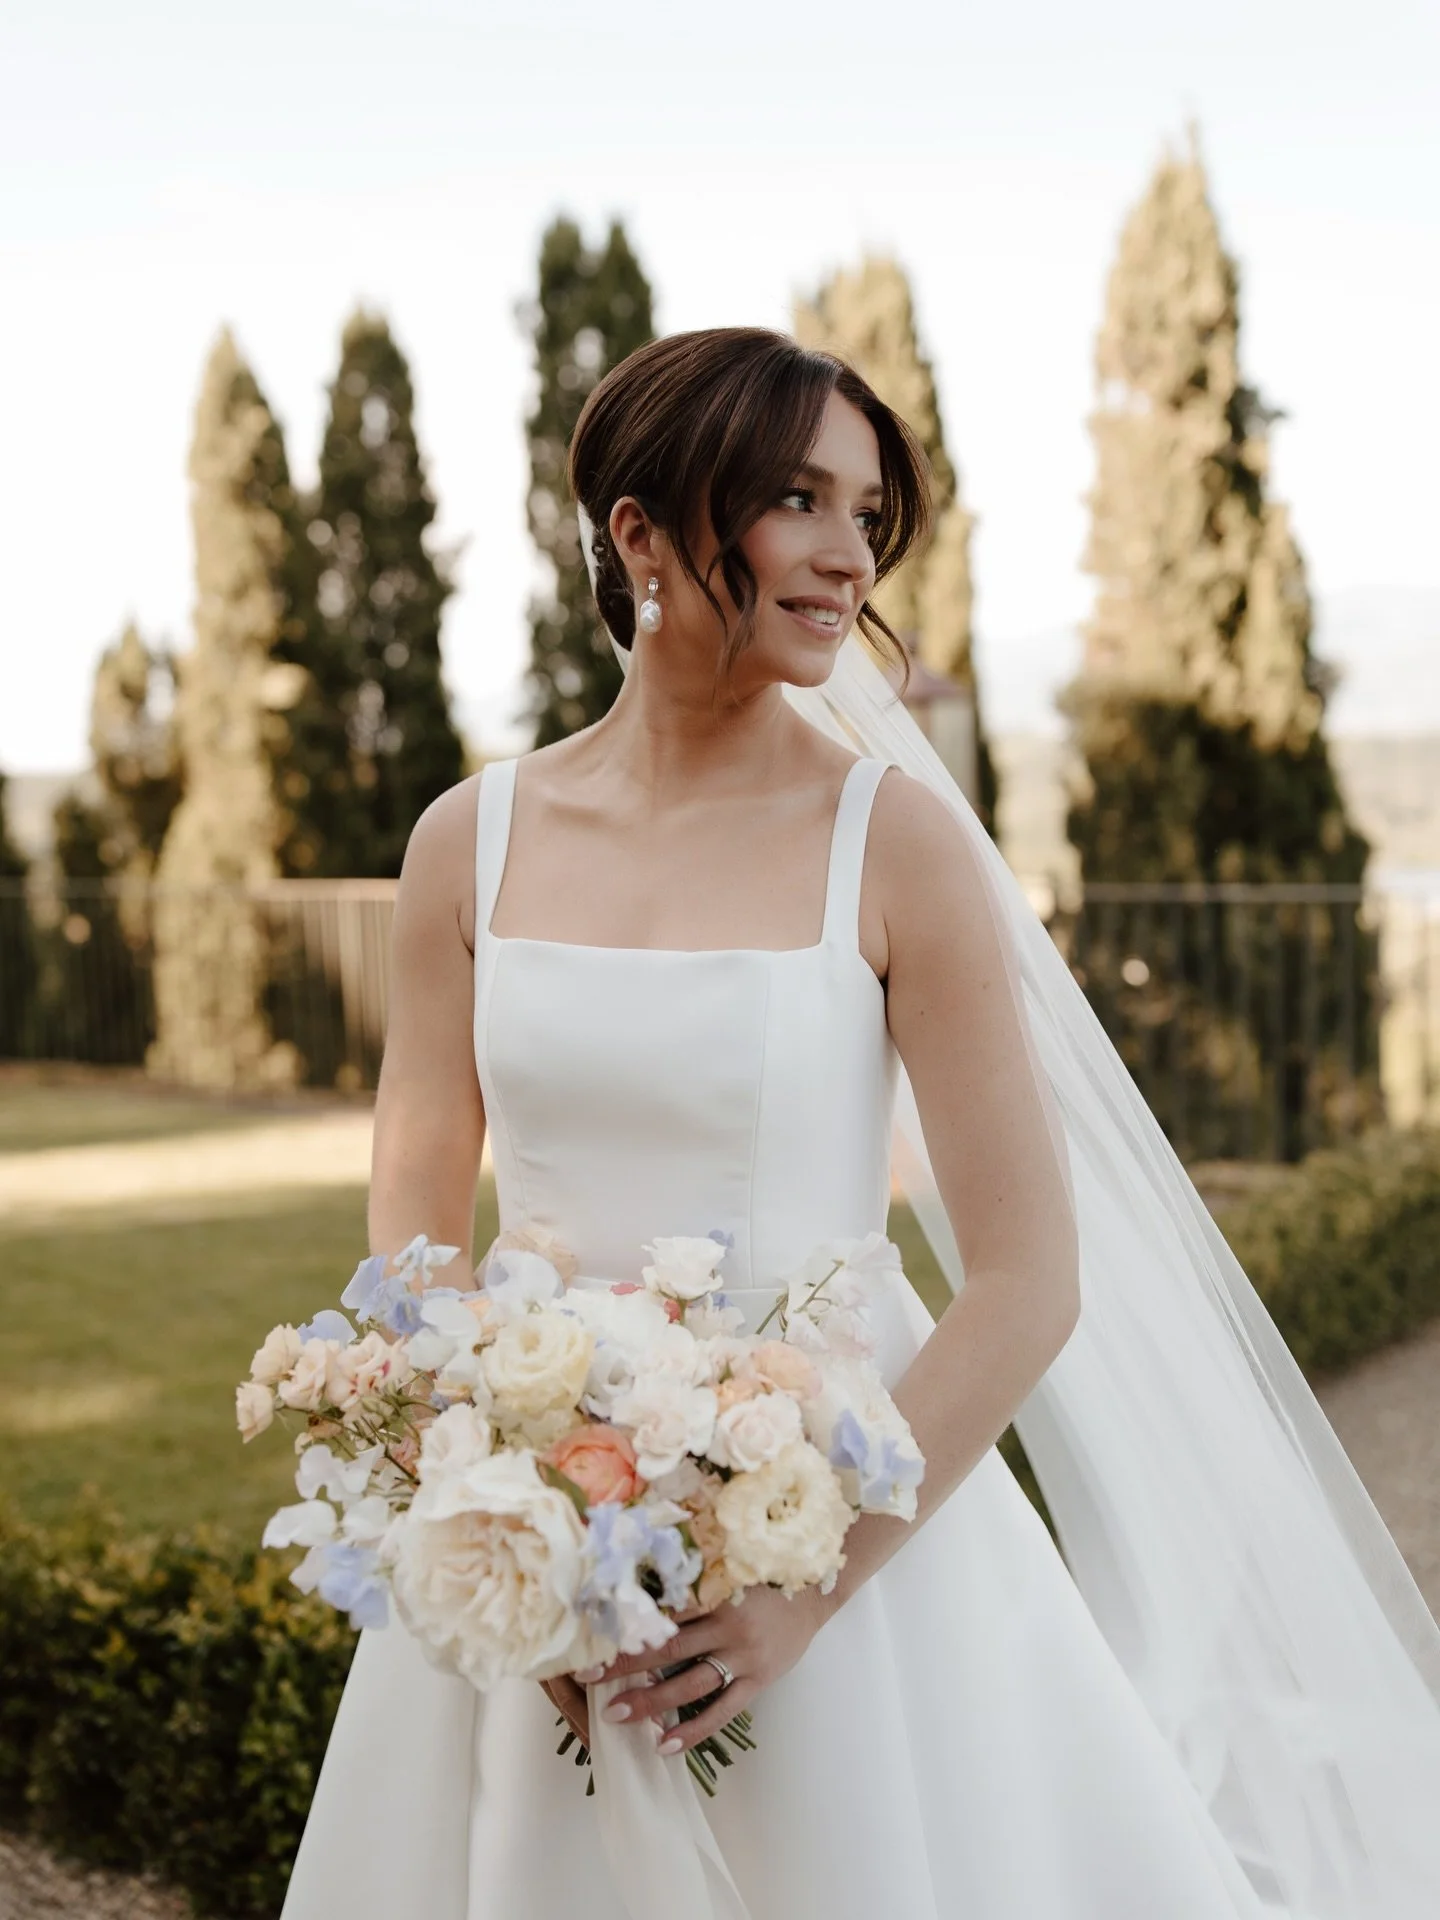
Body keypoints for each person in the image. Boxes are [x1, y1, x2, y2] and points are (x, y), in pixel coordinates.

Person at [279, 329, 1440, 1920]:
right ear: (641, 536)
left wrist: (802, 1599)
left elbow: (1030, 1277)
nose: (848, 556)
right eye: (800, 502)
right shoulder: (462, 845)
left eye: (869, 516)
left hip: (836, 1537)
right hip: (529, 1548)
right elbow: (414, 1227)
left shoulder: (895, 848)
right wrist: (506, 1523)